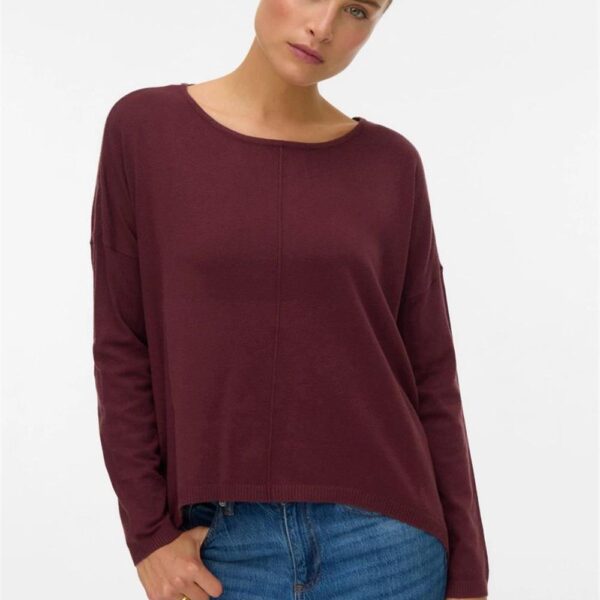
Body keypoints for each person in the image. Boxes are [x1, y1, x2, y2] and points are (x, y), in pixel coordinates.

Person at [89, 1, 489, 599]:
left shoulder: (391, 165)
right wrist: (148, 535)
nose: (323, 26)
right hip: (219, 548)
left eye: (358, 10)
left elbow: (432, 374)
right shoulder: (145, 130)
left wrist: (468, 576)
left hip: (389, 545)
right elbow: (122, 343)